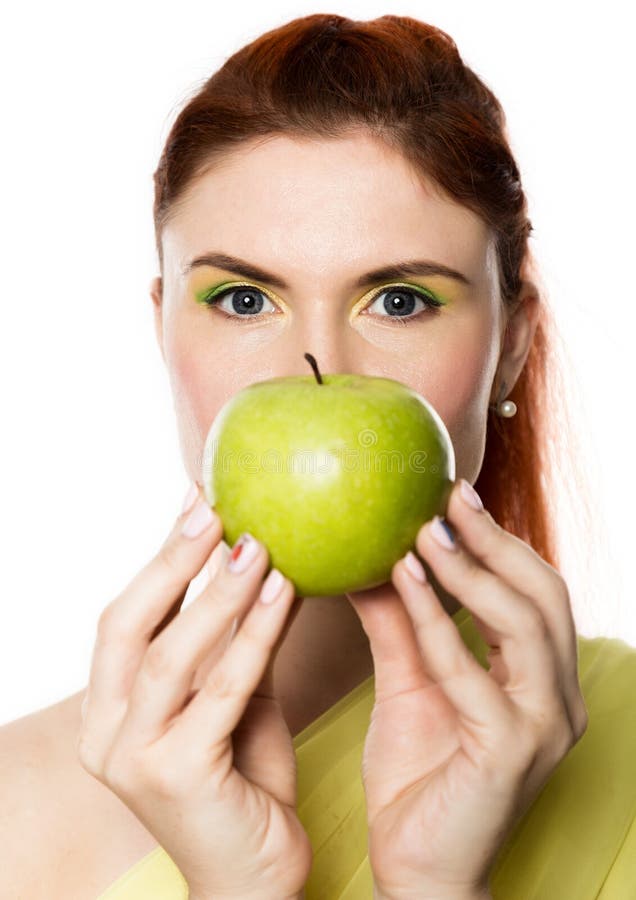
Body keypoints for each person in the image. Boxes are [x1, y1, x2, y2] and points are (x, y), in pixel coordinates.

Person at [2, 12, 635, 899]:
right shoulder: (12, 817)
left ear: (515, 344)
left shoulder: (627, 751)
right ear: (161, 328)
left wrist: (438, 889)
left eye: (402, 301)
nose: (322, 373)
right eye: (244, 299)